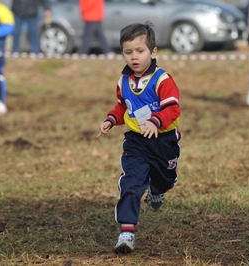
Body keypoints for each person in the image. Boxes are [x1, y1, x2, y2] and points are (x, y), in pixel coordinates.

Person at [97, 22, 181, 253]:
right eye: (128, 52)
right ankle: (127, 231)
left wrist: (156, 121)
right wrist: (111, 119)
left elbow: (173, 109)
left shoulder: (163, 79)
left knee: (165, 180)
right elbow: (123, 106)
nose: (134, 57)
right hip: (136, 141)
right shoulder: (123, 82)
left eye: (140, 51)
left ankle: (157, 191)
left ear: (153, 52)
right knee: (131, 183)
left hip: (164, 141)